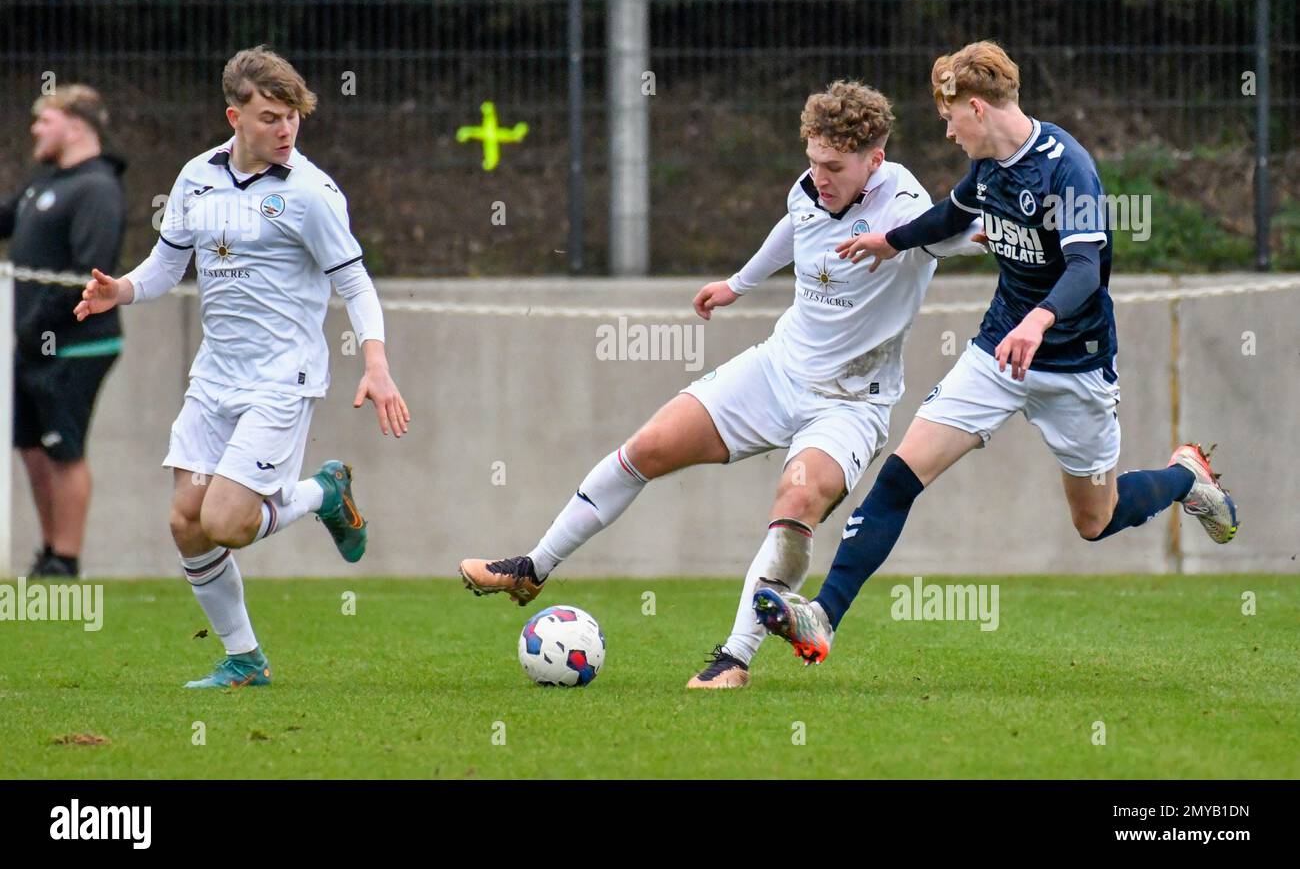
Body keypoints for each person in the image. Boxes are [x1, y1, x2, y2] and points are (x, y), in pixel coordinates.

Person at [460, 81, 984, 688]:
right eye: (812, 162)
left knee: (796, 502)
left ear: (876, 158)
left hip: (849, 402)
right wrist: (739, 283)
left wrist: (1012, 238)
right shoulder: (809, 189)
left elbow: (962, 233)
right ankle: (532, 566)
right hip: (775, 369)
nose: (819, 177)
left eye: (834, 167)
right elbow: (794, 226)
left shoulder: (907, 206)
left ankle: (733, 660)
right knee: (646, 449)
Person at [755, 42, 1238, 666]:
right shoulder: (988, 168)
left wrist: (1040, 320)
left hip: (1076, 364)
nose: (947, 130)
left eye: (949, 116)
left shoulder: (1071, 169)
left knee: (1095, 520)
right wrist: (890, 241)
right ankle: (823, 616)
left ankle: (1184, 478)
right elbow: (949, 217)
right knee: (902, 474)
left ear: (976, 108)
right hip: (996, 353)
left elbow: (1087, 267)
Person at [74, 46, 410, 688]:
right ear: (235, 116)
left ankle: (322, 494)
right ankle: (246, 660)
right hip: (215, 378)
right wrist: (121, 289)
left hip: (282, 378)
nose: (285, 131)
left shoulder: (311, 194)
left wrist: (376, 361)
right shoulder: (195, 176)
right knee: (185, 522)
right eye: (270, 118)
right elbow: (167, 268)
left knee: (225, 521)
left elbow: (356, 284)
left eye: (293, 118)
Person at [1, 85, 126, 578]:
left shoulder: (97, 188)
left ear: (76, 125)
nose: (35, 129)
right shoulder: (43, 184)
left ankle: (66, 560)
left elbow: (87, 269)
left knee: (63, 447)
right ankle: (50, 550)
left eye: (44, 119)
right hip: (31, 345)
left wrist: (38, 325)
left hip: (78, 344)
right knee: (33, 449)